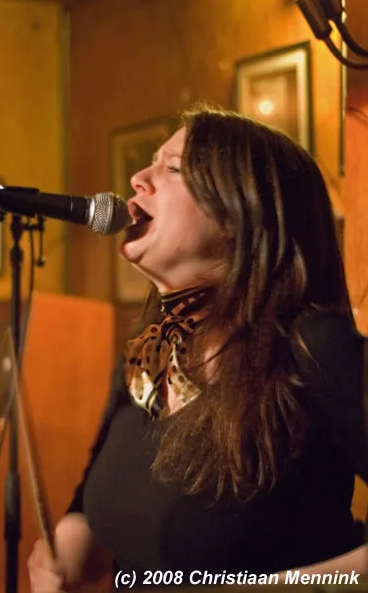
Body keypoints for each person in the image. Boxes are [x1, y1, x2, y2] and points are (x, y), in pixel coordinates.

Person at [28, 105, 368, 592]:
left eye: (172, 168)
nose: (137, 179)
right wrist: (67, 552)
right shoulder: (150, 354)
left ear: (240, 214)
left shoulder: (313, 347)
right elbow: (94, 509)